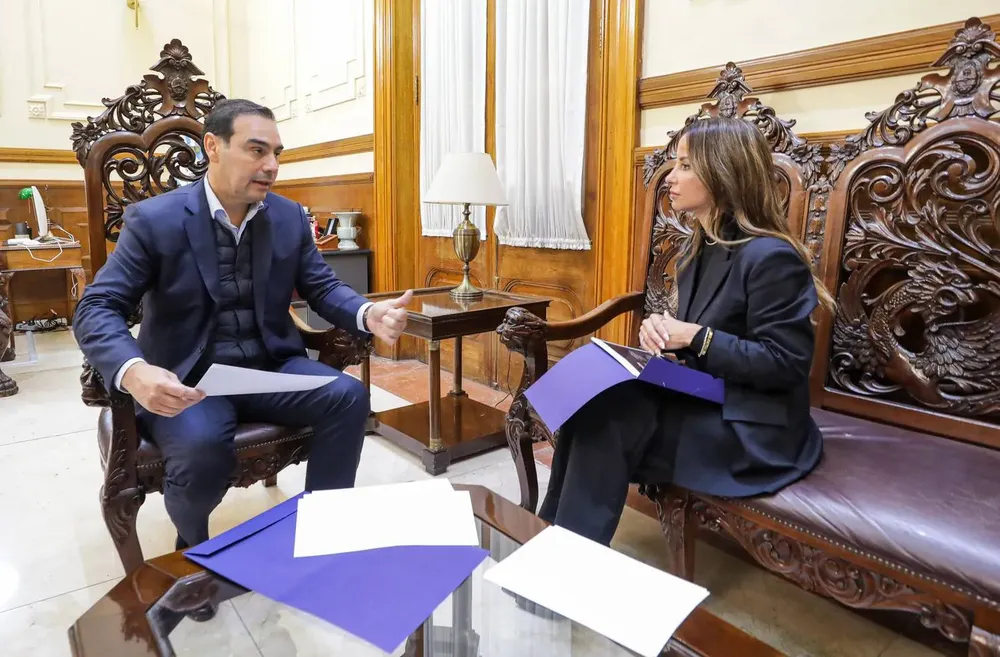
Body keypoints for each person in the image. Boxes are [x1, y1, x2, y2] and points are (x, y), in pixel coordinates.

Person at [74, 99, 413, 549]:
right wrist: (135, 371)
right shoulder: (156, 220)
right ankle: (192, 548)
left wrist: (366, 313)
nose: (271, 165)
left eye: (277, 153)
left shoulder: (289, 217)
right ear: (212, 147)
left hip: (269, 368)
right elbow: (97, 305)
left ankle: (323, 533)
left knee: (348, 396)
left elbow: (323, 287)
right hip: (189, 379)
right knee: (200, 451)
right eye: (256, 150)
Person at [540, 117, 834, 545]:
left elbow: (785, 364)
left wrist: (694, 337)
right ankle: (557, 546)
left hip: (755, 428)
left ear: (722, 172)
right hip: (710, 397)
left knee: (605, 421)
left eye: (684, 166)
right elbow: (697, 344)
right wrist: (662, 338)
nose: (670, 178)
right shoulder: (698, 249)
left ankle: (563, 555)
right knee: (594, 403)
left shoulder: (771, 257)